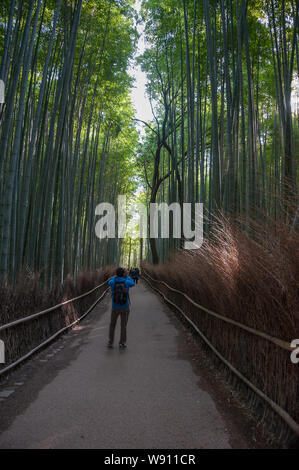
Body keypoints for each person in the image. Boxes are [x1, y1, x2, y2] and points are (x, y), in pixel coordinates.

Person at [107, 267, 135, 349]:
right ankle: (122, 343)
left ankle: (110, 343)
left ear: (116, 274)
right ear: (123, 274)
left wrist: (116, 276)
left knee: (112, 325)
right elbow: (133, 283)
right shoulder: (126, 281)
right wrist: (126, 276)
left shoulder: (112, 281)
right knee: (123, 326)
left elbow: (109, 282)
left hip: (115, 307)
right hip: (125, 307)